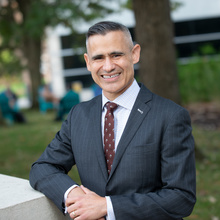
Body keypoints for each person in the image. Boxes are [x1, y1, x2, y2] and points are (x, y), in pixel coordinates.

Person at [29, 21, 196, 220]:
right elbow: (43, 167)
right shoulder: (79, 116)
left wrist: (107, 206)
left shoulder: (170, 116)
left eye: (116, 55)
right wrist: (74, 195)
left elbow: (181, 197)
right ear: (88, 62)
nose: (108, 66)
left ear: (134, 54)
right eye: (98, 57)